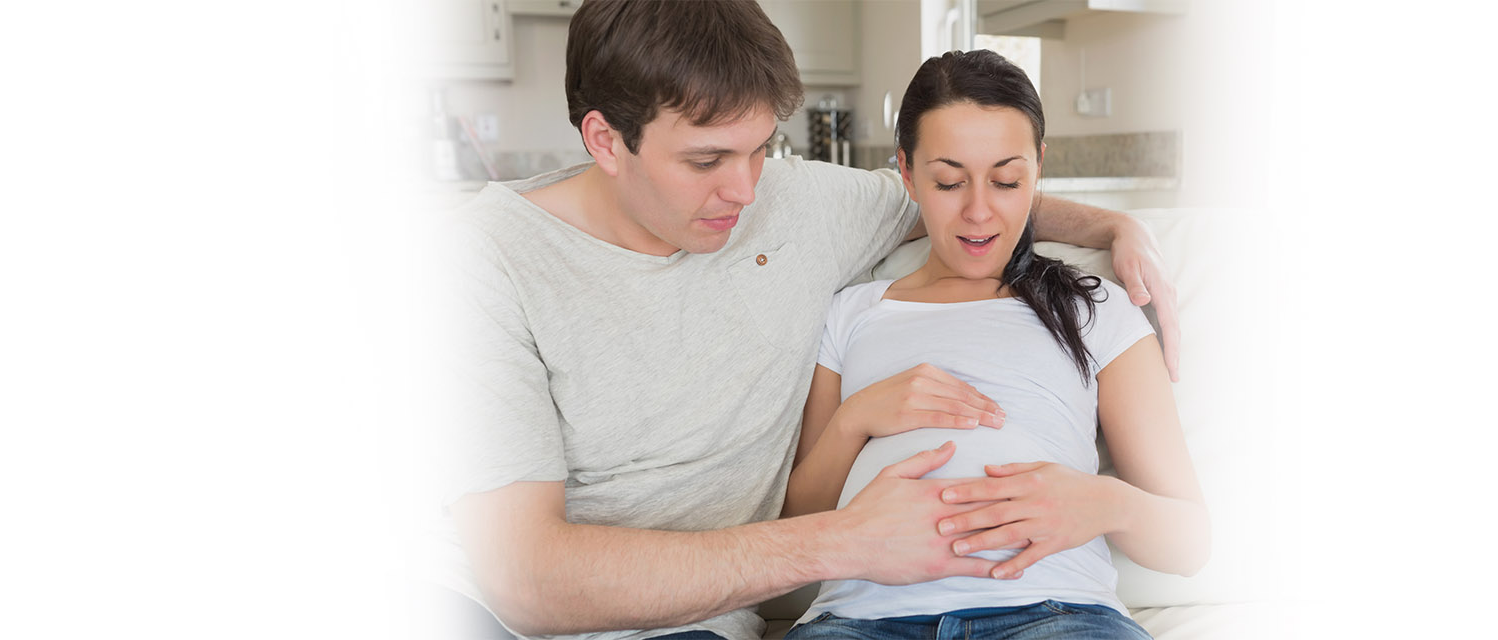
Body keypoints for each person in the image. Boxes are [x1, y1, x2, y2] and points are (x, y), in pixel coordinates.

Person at [440, 2, 1183, 639]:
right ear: (605, 140)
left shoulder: (799, 203)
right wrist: (843, 540)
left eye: (762, 148)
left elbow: (967, 201)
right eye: (707, 161)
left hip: (694, 625)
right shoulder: (490, 259)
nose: (745, 190)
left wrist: (1117, 225)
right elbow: (524, 580)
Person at [777, 50, 1210, 639]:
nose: (979, 211)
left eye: (1007, 181)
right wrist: (856, 419)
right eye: (949, 181)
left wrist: (1103, 502)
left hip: (1057, 614)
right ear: (906, 173)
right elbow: (796, 522)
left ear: (1037, 173)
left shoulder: (1097, 309)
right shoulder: (851, 312)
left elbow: (1191, 543)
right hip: (862, 620)